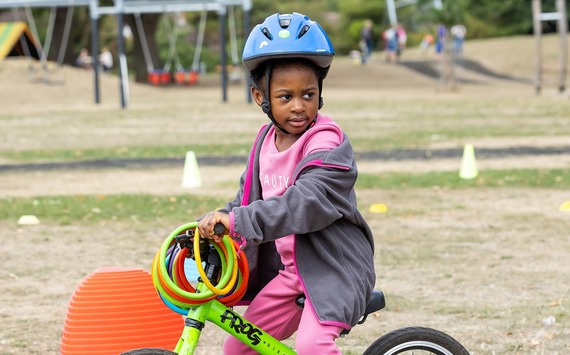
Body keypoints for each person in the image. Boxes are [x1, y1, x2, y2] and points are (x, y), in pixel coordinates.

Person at [197, 12, 376, 355]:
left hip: (334, 270)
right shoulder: (264, 141)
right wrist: (221, 218)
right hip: (292, 276)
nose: (298, 106)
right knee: (239, 347)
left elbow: (304, 203)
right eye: (285, 96)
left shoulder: (327, 143)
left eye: (308, 94)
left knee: (312, 346)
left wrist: (239, 221)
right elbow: (247, 200)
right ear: (259, 97)